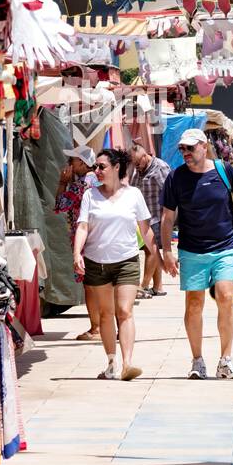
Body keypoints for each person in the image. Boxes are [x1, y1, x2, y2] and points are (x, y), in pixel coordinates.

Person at [160, 128, 233, 379]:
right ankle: (197, 360)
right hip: (191, 250)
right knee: (194, 304)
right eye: (182, 149)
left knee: (225, 296)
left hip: (224, 247)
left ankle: (226, 360)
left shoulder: (224, 170)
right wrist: (167, 251)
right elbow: (167, 217)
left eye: (190, 148)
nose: (185, 153)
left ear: (203, 146)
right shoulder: (176, 177)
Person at [73, 149, 154, 381]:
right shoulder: (90, 195)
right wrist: (77, 253)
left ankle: (128, 363)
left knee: (125, 311)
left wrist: (160, 255)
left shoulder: (133, 194)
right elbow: (82, 226)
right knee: (106, 314)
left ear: (117, 167)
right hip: (96, 262)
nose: (96, 171)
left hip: (127, 260)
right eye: (95, 167)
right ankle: (111, 362)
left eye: (101, 167)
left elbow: (145, 228)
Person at [55, 144, 99, 340]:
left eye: (72, 160)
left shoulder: (79, 184)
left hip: (84, 241)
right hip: (100, 237)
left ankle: (96, 328)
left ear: (81, 163)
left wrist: (62, 183)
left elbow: (60, 206)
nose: (69, 164)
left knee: (90, 285)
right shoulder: (98, 179)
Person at [128, 141, 171, 299]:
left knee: (151, 250)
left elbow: (169, 192)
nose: (136, 166)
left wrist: (168, 218)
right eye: (134, 164)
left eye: (137, 163)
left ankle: (143, 285)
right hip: (142, 218)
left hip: (156, 216)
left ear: (145, 156)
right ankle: (158, 287)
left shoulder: (160, 167)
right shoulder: (139, 169)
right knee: (153, 250)